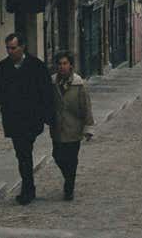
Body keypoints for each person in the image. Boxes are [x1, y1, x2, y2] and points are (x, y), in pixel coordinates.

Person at [0, 33, 54, 205]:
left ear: (22, 47)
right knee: (22, 154)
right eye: (8, 48)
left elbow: (46, 92)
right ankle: (28, 188)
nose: (10, 51)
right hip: (13, 118)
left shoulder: (36, 66)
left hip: (31, 118)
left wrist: (49, 117)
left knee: (24, 153)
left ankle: (28, 189)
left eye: (13, 48)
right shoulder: (3, 67)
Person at [50, 51, 94, 201]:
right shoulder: (52, 83)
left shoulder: (79, 84)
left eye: (65, 63)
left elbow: (86, 107)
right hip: (57, 128)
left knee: (71, 159)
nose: (62, 67)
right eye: (59, 64)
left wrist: (88, 128)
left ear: (70, 66)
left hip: (74, 128)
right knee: (57, 156)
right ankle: (68, 178)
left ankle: (69, 187)